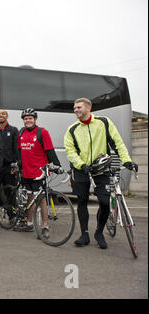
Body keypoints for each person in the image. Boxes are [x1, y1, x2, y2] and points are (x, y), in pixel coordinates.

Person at [64, 98, 137, 249]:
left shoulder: (103, 122)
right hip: (81, 170)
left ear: (88, 108)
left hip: (101, 170)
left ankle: (99, 232)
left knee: (104, 202)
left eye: (78, 107)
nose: (75, 110)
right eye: (74, 108)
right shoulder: (72, 129)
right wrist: (81, 165)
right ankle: (84, 234)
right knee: (82, 200)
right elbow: (70, 151)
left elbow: (118, 143)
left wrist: (126, 160)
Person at [15, 108, 62, 235]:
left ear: (35, 119)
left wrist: (57, 166)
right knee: (30, 197)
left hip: (39, 172)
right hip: (26, 172)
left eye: (30, 118)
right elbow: (19, 150)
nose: (28, 120)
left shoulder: (42, 132)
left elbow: (50, 150)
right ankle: (29, 223)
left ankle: (45, 225)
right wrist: (19, 163)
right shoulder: (21, 132)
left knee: (41, 199)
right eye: (25, 119)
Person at [0, 109, 19, 225]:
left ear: (7, 116)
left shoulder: (13, 130)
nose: (1, 116)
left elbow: (16, 148)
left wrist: (15, 164)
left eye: (3, 114)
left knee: (10, 193)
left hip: (9, 167)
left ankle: (12, 216)